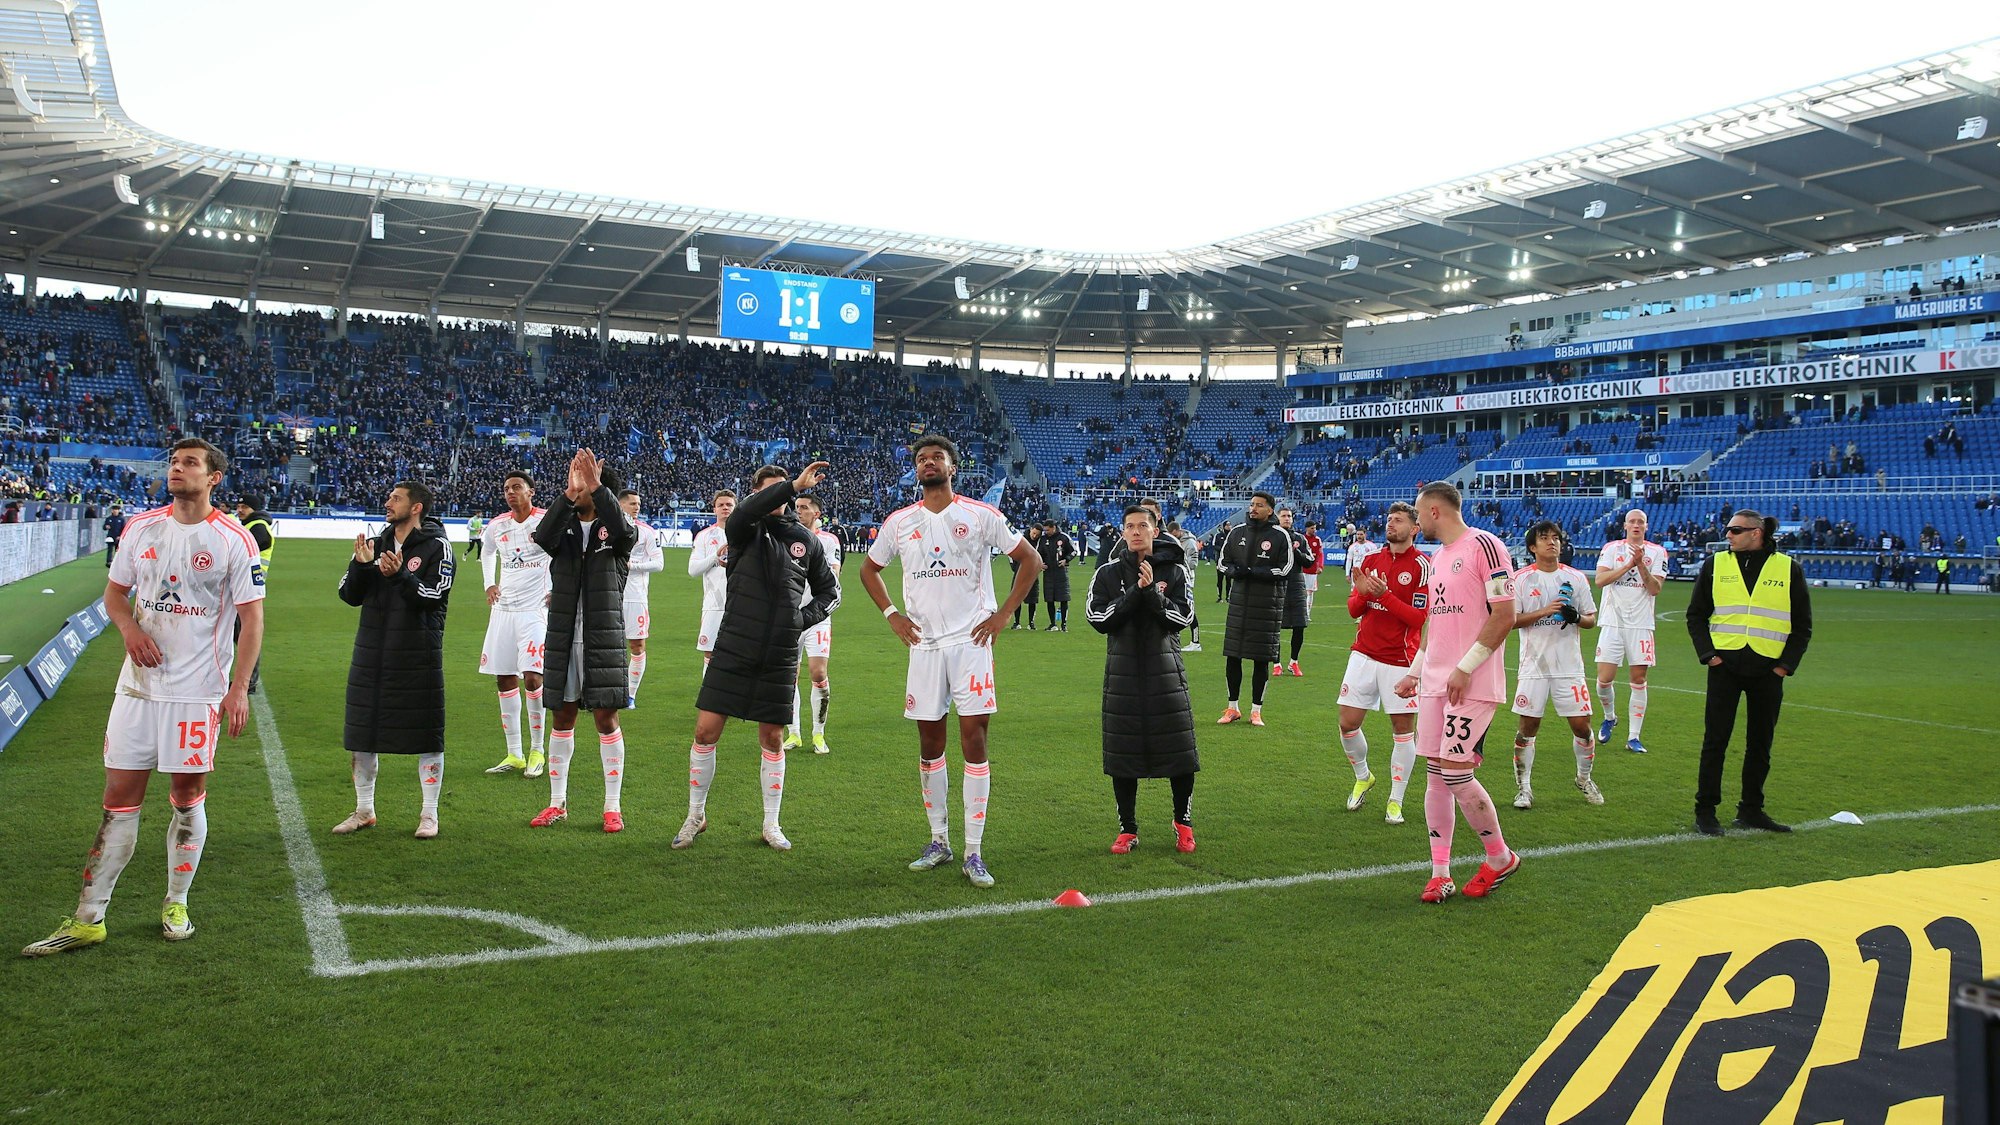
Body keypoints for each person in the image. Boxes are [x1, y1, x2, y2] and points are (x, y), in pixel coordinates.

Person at [22, 439, 265, 957]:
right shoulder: (141, 528)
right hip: (136, 687)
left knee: (185, 799)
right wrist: (130, 629)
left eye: (190, 463)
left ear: (214, 477)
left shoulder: (234, 540)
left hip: (197, 693)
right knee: (118, 801)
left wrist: (238, 689)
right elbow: (114, 594)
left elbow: (252, 619)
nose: (177, 470)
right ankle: (89, 918)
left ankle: (176, 901)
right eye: (174, 463)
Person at [859, 435, 1041, 889]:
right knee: (929, 744)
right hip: (923, 646)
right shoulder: (899, 522)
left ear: (952, 467)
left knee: (974, 738)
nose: (928, 463)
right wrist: (892, 615)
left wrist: (1002, 616)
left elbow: (1030, 561)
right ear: (916, 470)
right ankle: (939, 841)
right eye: (921, 459)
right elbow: (869, 569)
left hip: (970, 643)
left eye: (936, 457)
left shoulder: (980, 515)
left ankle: (974, 851)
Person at [677, 463, 839, 850]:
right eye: (772, 490)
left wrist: (800, 620)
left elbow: (830, 593)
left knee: (772, 738)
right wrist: (791, 486)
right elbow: (749, 509)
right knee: (705, 731)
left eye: (783, 491)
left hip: (780, 652)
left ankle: (771, 824)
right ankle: (695, 815)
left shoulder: (806, 541)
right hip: (734, 642)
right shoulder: (742, 527)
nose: (779, 497)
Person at [1393, 482, 1519, 904]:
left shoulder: (1484, 545)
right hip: (1434, 683)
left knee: (1455, 771)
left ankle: (1499, 857)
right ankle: (1440, 872)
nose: (1414, 519)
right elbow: (1434, 622)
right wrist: (1415, 670)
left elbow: (1505, 614)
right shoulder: (1438, 557)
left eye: (1416, 512)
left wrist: (1465, 667)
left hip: (1473, 682)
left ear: (1432, 512)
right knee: (1435, 774)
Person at [333, 480, 454, 839]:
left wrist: (400, 575)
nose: (388, 502)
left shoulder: (437, 547)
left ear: (416, 507)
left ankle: (429, 815)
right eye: (389, 497)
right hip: (371, 651)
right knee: (362, 733)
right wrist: (362, 566)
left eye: (396, 498)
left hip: (418, 653)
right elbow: (348, 595)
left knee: (427, 734)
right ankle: (364, 810)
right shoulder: (375, 544)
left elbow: (435, 595)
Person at [527, 450, 637, 833]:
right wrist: (569, 495)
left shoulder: (620, 531)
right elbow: (542, 536)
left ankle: (612, 806)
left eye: (587, 481)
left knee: (606, 718)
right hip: (563, 637)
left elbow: (624, 532)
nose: (580, 484)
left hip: (601, 639)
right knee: (562, 717)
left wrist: (596, 486)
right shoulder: (565, 528)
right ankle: (557, 803)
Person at [1684, 510, 1811, 835]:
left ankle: (1751, 809)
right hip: (1725, 666)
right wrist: (1709, 655)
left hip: (1768, 669)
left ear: (1756, 533)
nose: (1728, 535)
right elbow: (1696, 615)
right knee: (1715, 741)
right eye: (1728, 530)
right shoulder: (1715, 564)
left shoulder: (1788, 568)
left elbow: (1802, 626)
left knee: (1760, 744)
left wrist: (1784, 667)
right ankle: (1706, 811)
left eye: (1735, 530)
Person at [1087, 505, 1198, 854]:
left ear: (1155, 531)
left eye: (1143, 526)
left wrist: (1152, 593)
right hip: (1122, 675)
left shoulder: (1176, 570)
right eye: (1130, 526)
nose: (1136, 531)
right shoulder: (1106, 572)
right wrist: (1136, 591)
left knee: (1179, 751)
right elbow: (1099, 618)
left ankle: (1183, 822)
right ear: (1122, 533)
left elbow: (1182, 618)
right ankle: (1128, 828)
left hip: (1166, 672)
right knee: (1124, 753)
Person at [1336, 501, 1429, 824]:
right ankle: (1363, 776)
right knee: (1347, 723)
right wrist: (1363, 594)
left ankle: (1395, 800)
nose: (1391, 524)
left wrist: (1385, 595)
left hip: (1400, 660)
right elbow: (1353, 610)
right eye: (1389, 519)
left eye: (1399, 520)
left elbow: (1419, 618)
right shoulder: (1371, 560)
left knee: (1403, 732)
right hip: (1363, 653)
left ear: (1414, 529)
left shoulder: (1422, 566)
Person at [1508, 521, 1602, 810]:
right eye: (1544, 538)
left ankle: (1584, 778)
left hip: (1568, 666)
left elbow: (1591, 619)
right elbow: (1511, 620)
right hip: (1534, 666)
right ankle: (1524, 789)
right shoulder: (1521, 579)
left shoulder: (1575, 578)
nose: (1552, 542)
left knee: (1582, 727)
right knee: (1528, 727)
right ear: (1533, 547)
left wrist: (1575, 618)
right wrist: (1544, 612)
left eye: (1556, 538)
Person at [478, 471, 550, 777]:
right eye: (506, 488)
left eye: (517, 487)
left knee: (533, 677)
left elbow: (566, 554)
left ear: (531, 491)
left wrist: (556, 588)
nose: (510, 492)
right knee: (504, 677)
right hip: (504, 610)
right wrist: (488, 584)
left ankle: (537, 751)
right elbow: (487, 552)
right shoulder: (497, 525)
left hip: (535, 610)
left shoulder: (547, 520)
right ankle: (514, 753)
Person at [1216, 492, 1294, 726]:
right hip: (1239, 604)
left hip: (1267, 606)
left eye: (1259, 505)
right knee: (1233, 656)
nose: (1254, 508)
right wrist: (1234, 572)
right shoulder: (1237, 531)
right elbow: (1222, 562)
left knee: (1261, 659)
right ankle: (1232, 708)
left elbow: (1286, 568)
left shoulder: (1279, 535)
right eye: (1251, 504)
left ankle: (1256, 710)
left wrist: (1256, 573)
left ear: (1270, 510)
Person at [1593, 509, 1667, 754]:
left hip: (1641, 625)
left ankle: (1634, 737)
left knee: (1638, 679)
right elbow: (1600, 580)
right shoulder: (1611, 548)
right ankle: (1610, 716)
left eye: (1641, 522)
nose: (1636, 525)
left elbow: (1655, 589)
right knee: (1604, 680)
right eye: (1632, 521)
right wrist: (1628, 565)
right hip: (1612, 622)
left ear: (1646, 526)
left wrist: (1641, 566)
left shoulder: (1657, 552)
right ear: (1625, 525)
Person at [783, 491, 843, 754]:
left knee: (818, 674)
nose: (799, 511)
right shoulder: (786, 538)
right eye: (796, 507)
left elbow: (833, 575)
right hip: (787, 616)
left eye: (805, 507)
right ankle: (793, 733)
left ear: (817, 513)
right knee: (789, 677)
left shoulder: (828, 541)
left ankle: (818, 734)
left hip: (817, 617)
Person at [618, 489, 665, 706]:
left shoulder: (646, 532)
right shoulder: (606, 528)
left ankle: (630, 695)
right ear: (620, 505)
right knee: (602, 645)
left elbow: (658, 564)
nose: (637, 507)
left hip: (635, 596)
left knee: (637, 645)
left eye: (638, 503)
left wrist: (632, 566)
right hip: (609, 594)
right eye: (632, 503)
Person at [687, 489, 736, 671]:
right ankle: (709, 699)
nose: (725, 508)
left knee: (740, 654)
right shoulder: (704, 536)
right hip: (714, 604)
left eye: (729, 505)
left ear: (735, 508)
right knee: (710, 654)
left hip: (741, 604)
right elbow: (693, 570)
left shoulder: (746, 535)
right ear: (714, 509)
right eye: (721, 505)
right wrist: (716, 556)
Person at [232, 494, 275, 695]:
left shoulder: (257, 526)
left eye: (245, 507)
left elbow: (252, 546)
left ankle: (248, 681)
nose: (240, 510)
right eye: (239, 506)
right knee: (237, 635)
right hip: (241, 587)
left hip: (247, 589)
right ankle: (246, 679)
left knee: (245, 636)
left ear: (254, 509)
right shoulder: (250, 525)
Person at [1276, 506, 1313, 677]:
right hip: (1277, 585)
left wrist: (1296, 551)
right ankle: (1276, 663)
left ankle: (1294, 662)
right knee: (1274, 626)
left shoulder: (1300, 538)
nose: (1287, 519)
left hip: (1296, 584)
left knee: (1299, 626)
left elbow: (1309, 562)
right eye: (1283, 516)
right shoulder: (1272, 537)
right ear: (1277, 518)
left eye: (1289, 516)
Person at [1170, 520, 1205, 652]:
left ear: (1178, 531)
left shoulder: (1189, 543)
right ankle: (1176, 639)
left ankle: (1196, 642)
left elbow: (1193, 563)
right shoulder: (1176, 541)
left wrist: (1180, 566)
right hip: (1176, 578)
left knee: (1188, 609)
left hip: (1186, 579)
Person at [1038, 519, 1077, 630]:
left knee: (1063, 598)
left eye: (1047, 530)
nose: (1046, 532)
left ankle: (1064, 624)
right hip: (1048, 573)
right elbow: (1037, 553)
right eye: (1044, 530)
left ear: (1053, 527)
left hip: (1061, 572)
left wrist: (1066, 560)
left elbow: (1074, 551)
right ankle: (1052, 624)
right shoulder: (1043, 539)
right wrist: (1040, 563)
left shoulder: (1064, 537)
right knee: (1049, 599)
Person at [1010, 525, 1043, 629]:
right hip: (1019, 572)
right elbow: (1010, 554)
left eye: (1037, 534)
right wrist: (1015, 567)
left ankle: (1031, 623)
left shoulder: (1040, 542)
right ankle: (1016, 622)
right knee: (1016, 597)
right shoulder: (1020, 539)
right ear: (1031, 529)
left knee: (1032, 599)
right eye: (1033, 533)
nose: (1034, 536)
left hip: (1033, 574)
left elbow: (1044, 555)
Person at [1302, 521, 1325, 617]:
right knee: (1301, 592)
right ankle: (1300, 612)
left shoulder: (1317, 540)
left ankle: (1307, 614)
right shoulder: (1302, 539)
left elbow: (1320, 554)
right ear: (1307, 528)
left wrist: (1320, 566)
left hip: (1312, 570)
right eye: (1312, 528)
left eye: (1315, 528)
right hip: (1301, 569)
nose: (1314, 530)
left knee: (1310, 592)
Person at [102, 502, 126, 567]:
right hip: (110, 536)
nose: (115, 511)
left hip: (118, 536)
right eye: (114, 510)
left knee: (118, 550)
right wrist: (106, 527)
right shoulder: (109, 518)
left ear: (118, 511)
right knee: (110, 549)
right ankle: (109, 562)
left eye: (116, 510)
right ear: (112, 511)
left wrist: (120, 536)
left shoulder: (121, 519)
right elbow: (104, 527)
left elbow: (124, 529)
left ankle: (118, 562)